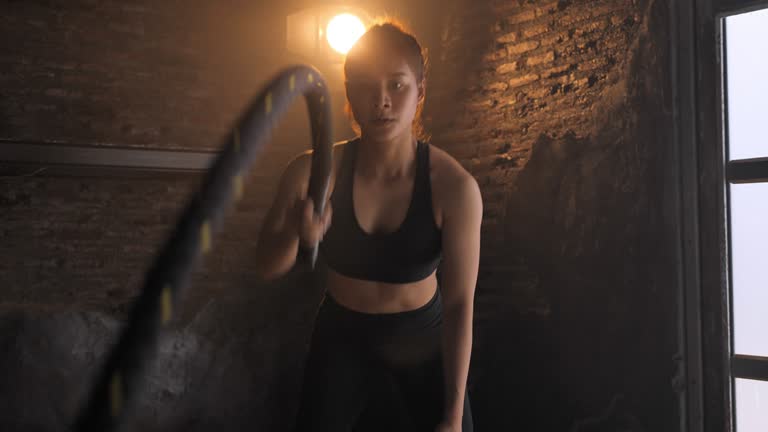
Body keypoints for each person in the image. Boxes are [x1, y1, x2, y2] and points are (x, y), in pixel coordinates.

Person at [254, 20, 482, 432]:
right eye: (366, 86)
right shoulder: (312, 173)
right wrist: (295, 232)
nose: (381, 100)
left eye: (397, 85)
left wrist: (451, 418)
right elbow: (267, 266)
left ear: (420, 93)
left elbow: (459, 304)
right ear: (349, 95)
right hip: (343, 335)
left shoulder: (455, 187)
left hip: (423, 337)